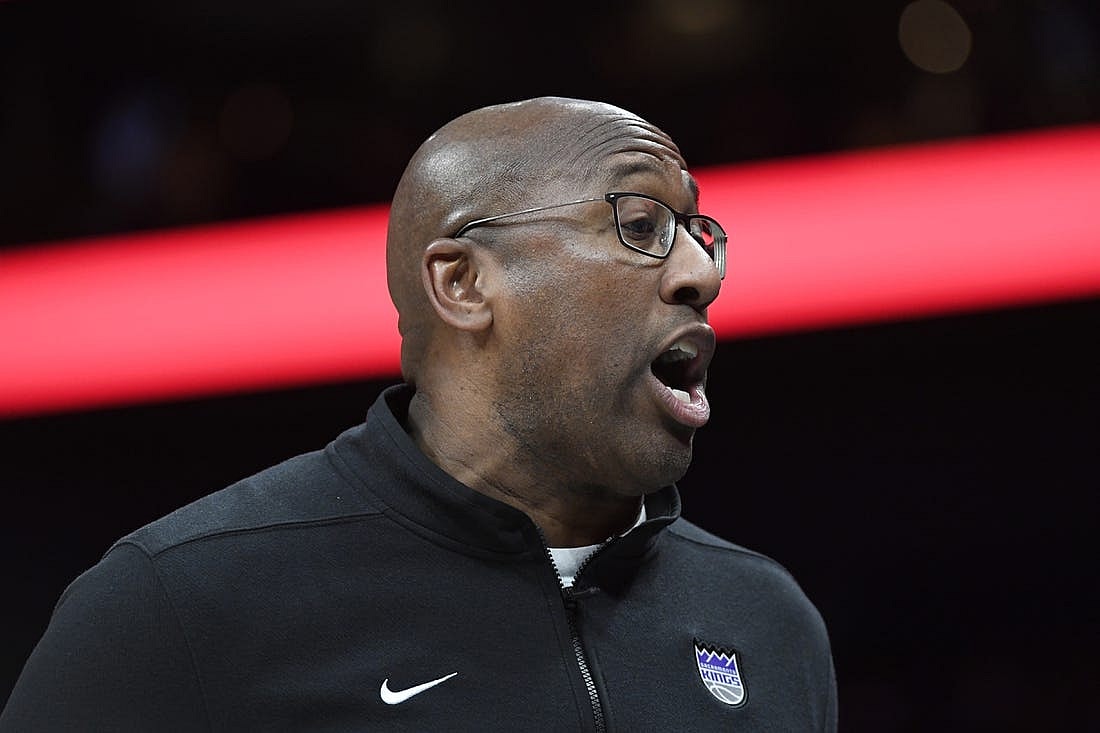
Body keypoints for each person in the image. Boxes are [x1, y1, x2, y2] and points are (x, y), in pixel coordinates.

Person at [2, 96, 837, 731]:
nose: (701, 271)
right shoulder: (174, 606)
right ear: (464, 284)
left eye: (700, 230)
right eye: (643, 222)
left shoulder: (766, 621)